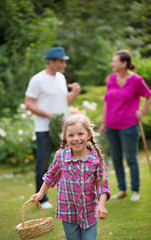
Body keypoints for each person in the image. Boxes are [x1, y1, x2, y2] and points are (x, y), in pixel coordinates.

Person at [30, 114, 110, 240]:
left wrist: (101, 205)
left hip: (89, 212)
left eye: (80, 134)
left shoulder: (96, 160)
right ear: (65, 138)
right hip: (68, 212)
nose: (76, 139)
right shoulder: (61, 156)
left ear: (89, 135)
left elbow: (102, 185)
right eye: (71, 135)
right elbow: (51, 176)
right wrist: (40, 194)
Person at [25, 47, 81, 209]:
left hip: (63, 130)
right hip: (44, 128)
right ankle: (41, 199)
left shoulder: (61, 78)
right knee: (43, 164)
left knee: (67, 162)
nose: (64, 64)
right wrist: (49, 115)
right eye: (61, 61)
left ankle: (69, 196)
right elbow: (29, 103)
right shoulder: (37, 80)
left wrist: (74, 93)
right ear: (51, 62)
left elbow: (64, 102)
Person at [99, 49, 151, 202]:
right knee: (116, 158)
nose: (112, 64)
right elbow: (106, 102)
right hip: (111, 126)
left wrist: (142, 112)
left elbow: (148, 96)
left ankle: (135, 190)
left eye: (115, 61)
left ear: (124, 63)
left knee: (131, 158)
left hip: (129, 125)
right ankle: (122, 189)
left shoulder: (136, 80)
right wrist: (103, 123)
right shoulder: (111, 78)